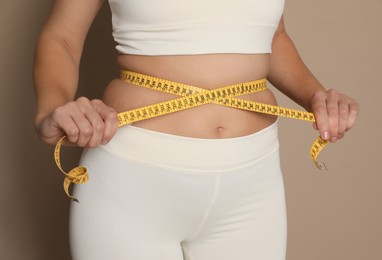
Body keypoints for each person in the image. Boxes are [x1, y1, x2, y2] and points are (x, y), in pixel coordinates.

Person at [33, 0, 359, 259]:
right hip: (133, 182)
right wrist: (52, 108)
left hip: (252, 184)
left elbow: (272, 36)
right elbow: (62, 37)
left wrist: (317, 97)